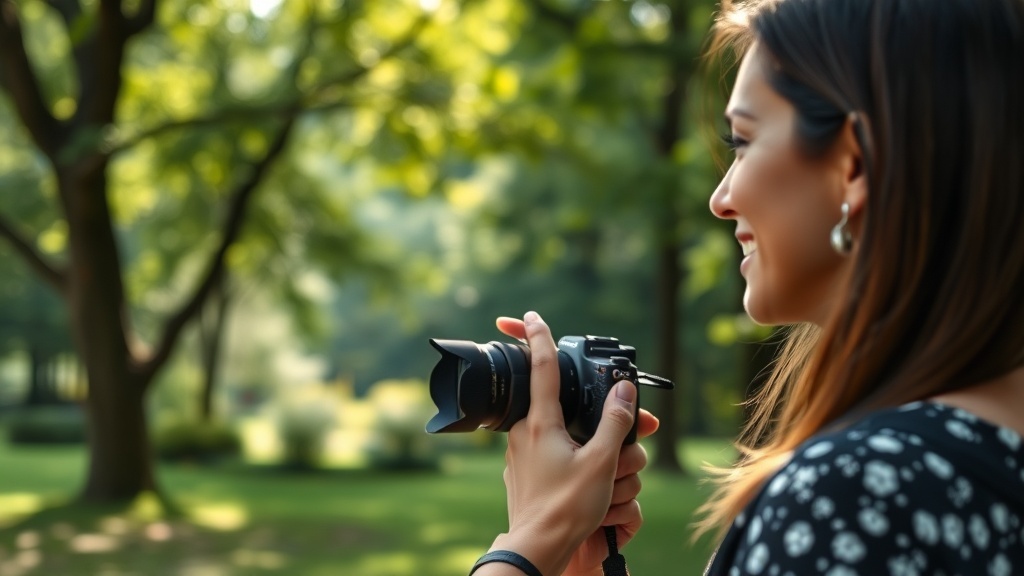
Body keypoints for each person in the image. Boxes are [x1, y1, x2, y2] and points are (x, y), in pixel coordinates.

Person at [469, 0, 1024, 574]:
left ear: (855, 164)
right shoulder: (982, 458)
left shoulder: (855, 495)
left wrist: (530, 540)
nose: (720, 198)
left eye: (742, 141)